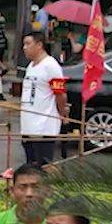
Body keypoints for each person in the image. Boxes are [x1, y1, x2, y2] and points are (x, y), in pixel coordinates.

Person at [16, 30, 67, 165]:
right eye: (24, 44)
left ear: (39, 45)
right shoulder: (30, 66)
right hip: (28, 125)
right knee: (30, 166)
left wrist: (62, 113)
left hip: (44, 127)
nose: (24, 47)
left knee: (43, 166)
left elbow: (60, 93)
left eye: (28, 44)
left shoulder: (51, 66)